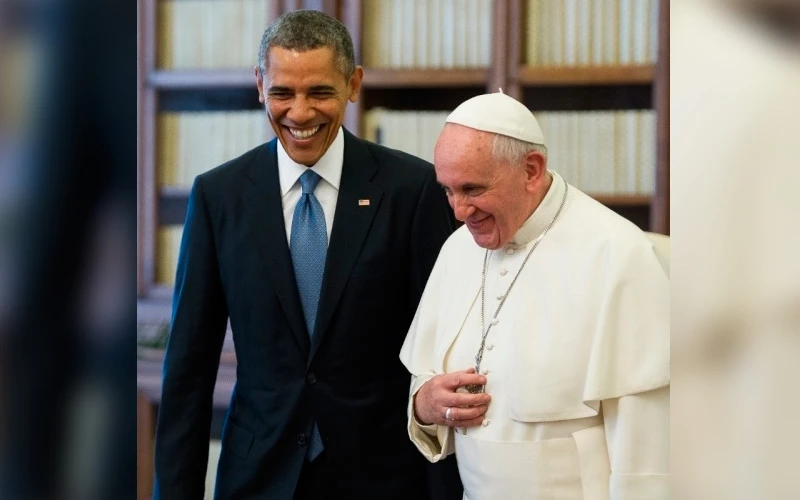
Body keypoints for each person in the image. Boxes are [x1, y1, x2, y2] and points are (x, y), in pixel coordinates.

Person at [153, 9, 461, 500]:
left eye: (319, 92)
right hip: (257, 478)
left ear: (353, 84)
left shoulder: (412, 190)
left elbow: (443, 352)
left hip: (382, 478)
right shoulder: (219, 196)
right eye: (282, 93)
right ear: (260, 85)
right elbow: (189, 369)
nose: (300, 113)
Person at [400, 91, 669, 500]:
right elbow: (426, 377)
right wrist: (426, 405)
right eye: (448, 191)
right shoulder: (457, 249)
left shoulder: (618, 254)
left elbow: (646, 447)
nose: (458, 211)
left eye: (472, 189)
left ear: (531, 169)